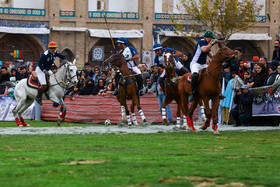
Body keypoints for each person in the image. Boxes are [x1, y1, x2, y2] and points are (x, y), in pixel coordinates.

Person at [189, 30, 217, 101]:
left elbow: (210, 54)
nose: (211, 40)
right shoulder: (202, 41)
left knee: (214, 73)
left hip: (203, 64)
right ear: (209, 37)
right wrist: (212, 43)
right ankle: (193, 93)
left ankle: (216, 91)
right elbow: (204, 49)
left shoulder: (208, 44)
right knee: (195, 75)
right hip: (195, 63)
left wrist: (216, 59)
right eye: (211, 38)